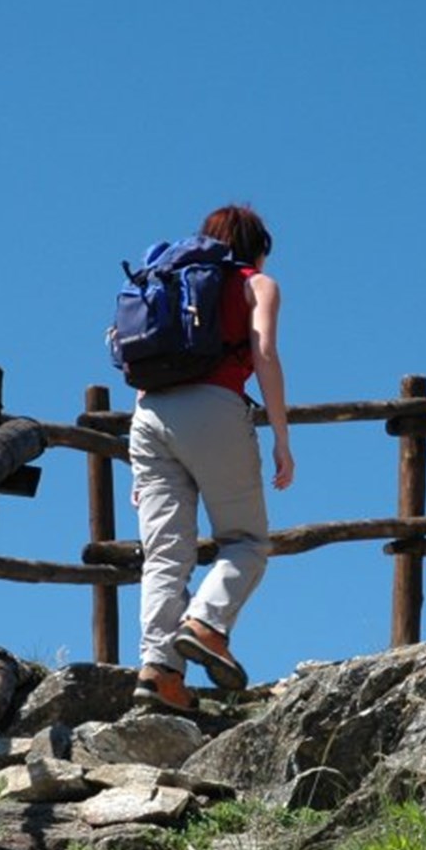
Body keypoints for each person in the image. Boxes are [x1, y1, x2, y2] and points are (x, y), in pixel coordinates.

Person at [130, 203, 294, 711]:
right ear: (257, 249)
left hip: (148, 415)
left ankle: (159, 673)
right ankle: (206, 624)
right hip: (214, 408)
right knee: (246, 541)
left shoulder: (170, 280)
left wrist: (138, 465)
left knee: (165, 555)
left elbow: (145, 363)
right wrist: (281, 438)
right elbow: (264, 355)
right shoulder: (256, 285)